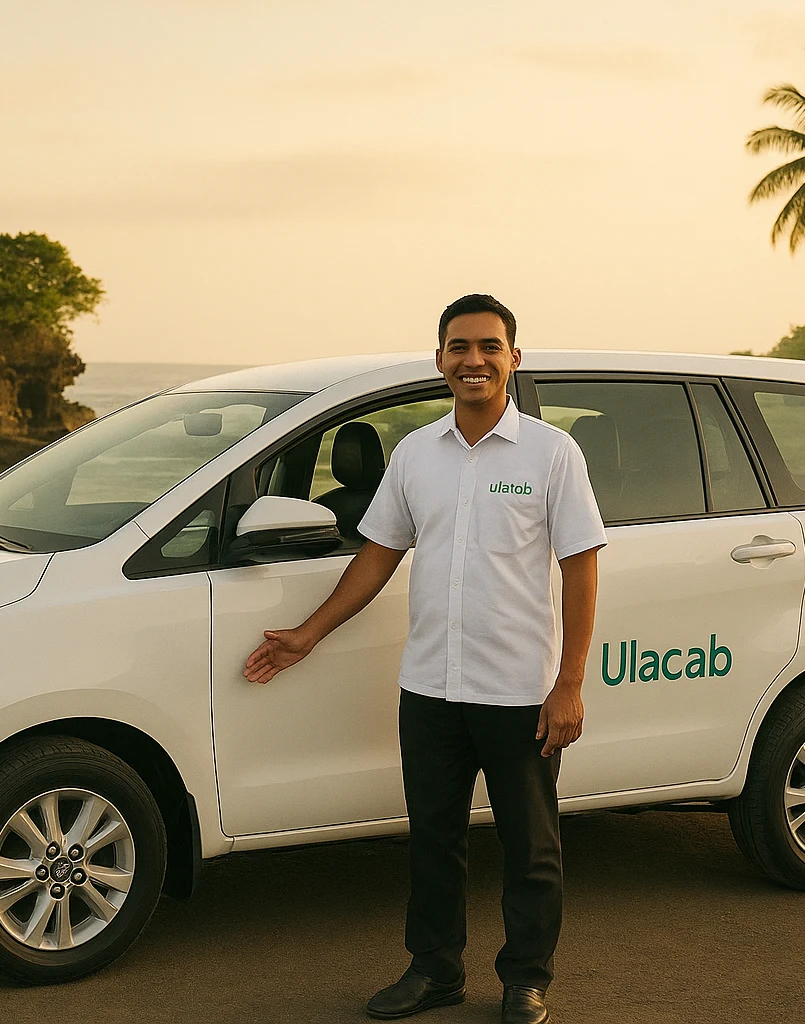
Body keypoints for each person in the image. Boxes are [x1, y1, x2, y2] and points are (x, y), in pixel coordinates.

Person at [242, 294, 606, 1024]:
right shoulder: (415, 455)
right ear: (439, 358)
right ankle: (435, 971)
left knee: (531, 849)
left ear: (513, 359)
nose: (474, 360)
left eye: (489, 347)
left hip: (518, 692)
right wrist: (309, 634)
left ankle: (526, 979)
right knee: (434, 844)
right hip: (431, 690)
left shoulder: (551, 453)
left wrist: (568, 684)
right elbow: (377, 557)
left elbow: (581, 566)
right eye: (459, 347)